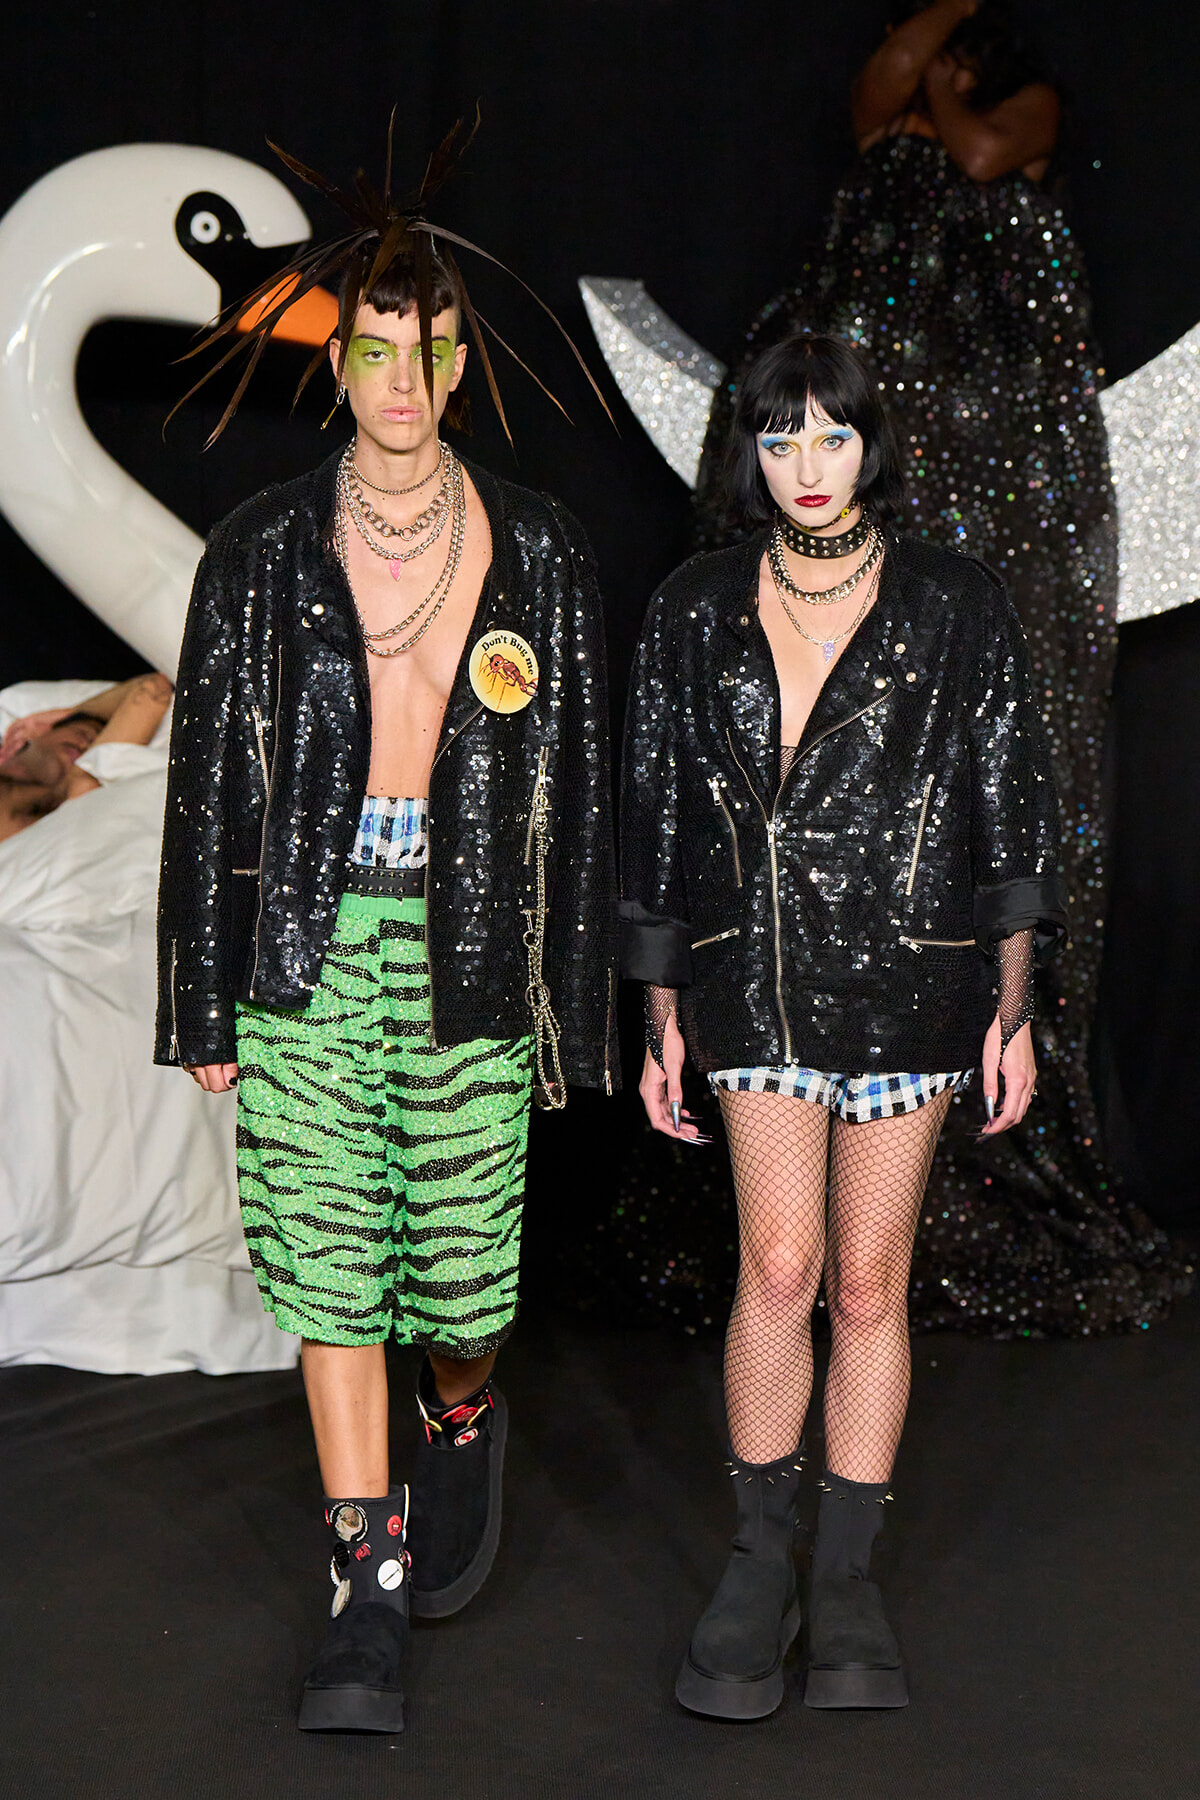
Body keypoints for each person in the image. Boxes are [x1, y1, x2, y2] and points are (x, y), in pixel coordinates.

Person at [155, 129, 618, 1734]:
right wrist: (201, 1003)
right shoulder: (259, 554)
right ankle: (366, 1584)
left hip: (467, 949)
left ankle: (464, 1410)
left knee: (464, 1286)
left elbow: (578, 794)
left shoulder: (541, 551)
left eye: (428, 350)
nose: (401, 379)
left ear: (460, 362)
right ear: (338, 359)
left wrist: (573, 1010)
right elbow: (206, 787)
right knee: (330, 1263)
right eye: (373, 348)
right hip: (305, 946)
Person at [688, 0, 1183, 1335]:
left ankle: (964, 1128)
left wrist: (941, 101)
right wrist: (930, 38)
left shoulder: (1027, 111)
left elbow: (972, 151)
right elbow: (874, 104)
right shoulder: (898, 110)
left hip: (992, 408)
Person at [621, 332, 1066, 1717]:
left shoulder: (954, 603)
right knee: (779, 1263)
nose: (807, 465)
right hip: (753, 980)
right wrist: (659, 1009)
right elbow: (653, 817)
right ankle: (760, 1561)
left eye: (831, 435)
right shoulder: (695, 607)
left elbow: (1010, 812)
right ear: (749, 454)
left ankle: (850, 1574)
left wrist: (1012, 1006)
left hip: (914, 984)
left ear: (871, 443)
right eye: (779, 438)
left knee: (869, 1283)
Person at [0, 674, 173, 842]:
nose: (85, 744)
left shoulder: (81, 784)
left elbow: (152, 689)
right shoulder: (80, 786)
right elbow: (151, 690)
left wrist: (74, 713)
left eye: (99, 739)